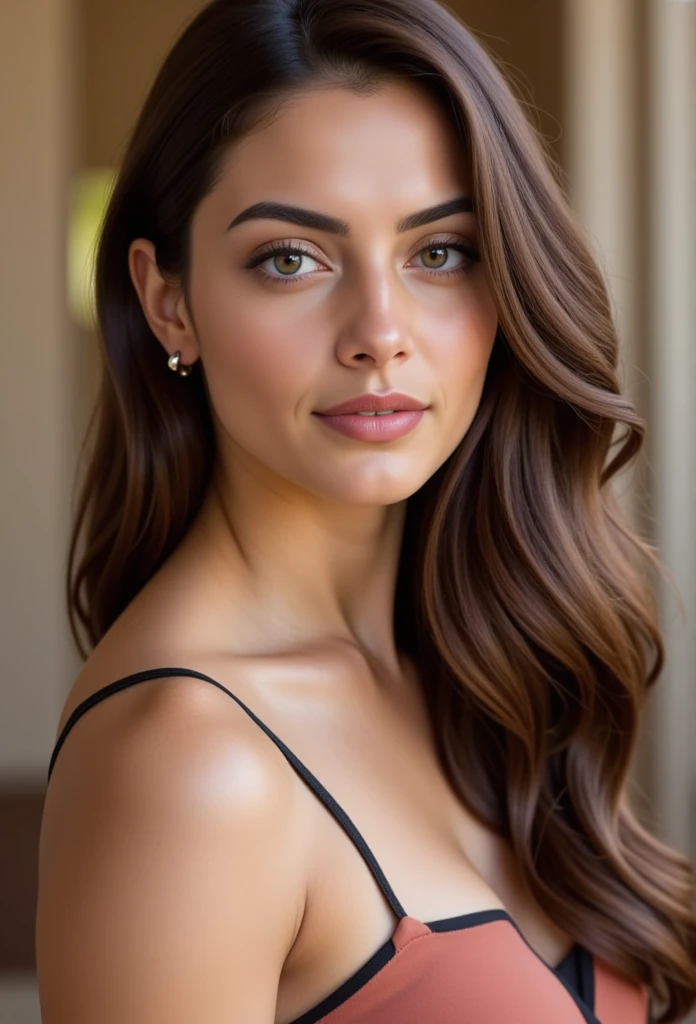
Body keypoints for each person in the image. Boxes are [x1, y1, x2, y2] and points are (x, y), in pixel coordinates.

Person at [36, 1, 696, 1021]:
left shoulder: (484, 667)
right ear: (169, 299)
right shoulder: (189, 765)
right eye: (291, 259)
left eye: (440, 252)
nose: (380, 334)